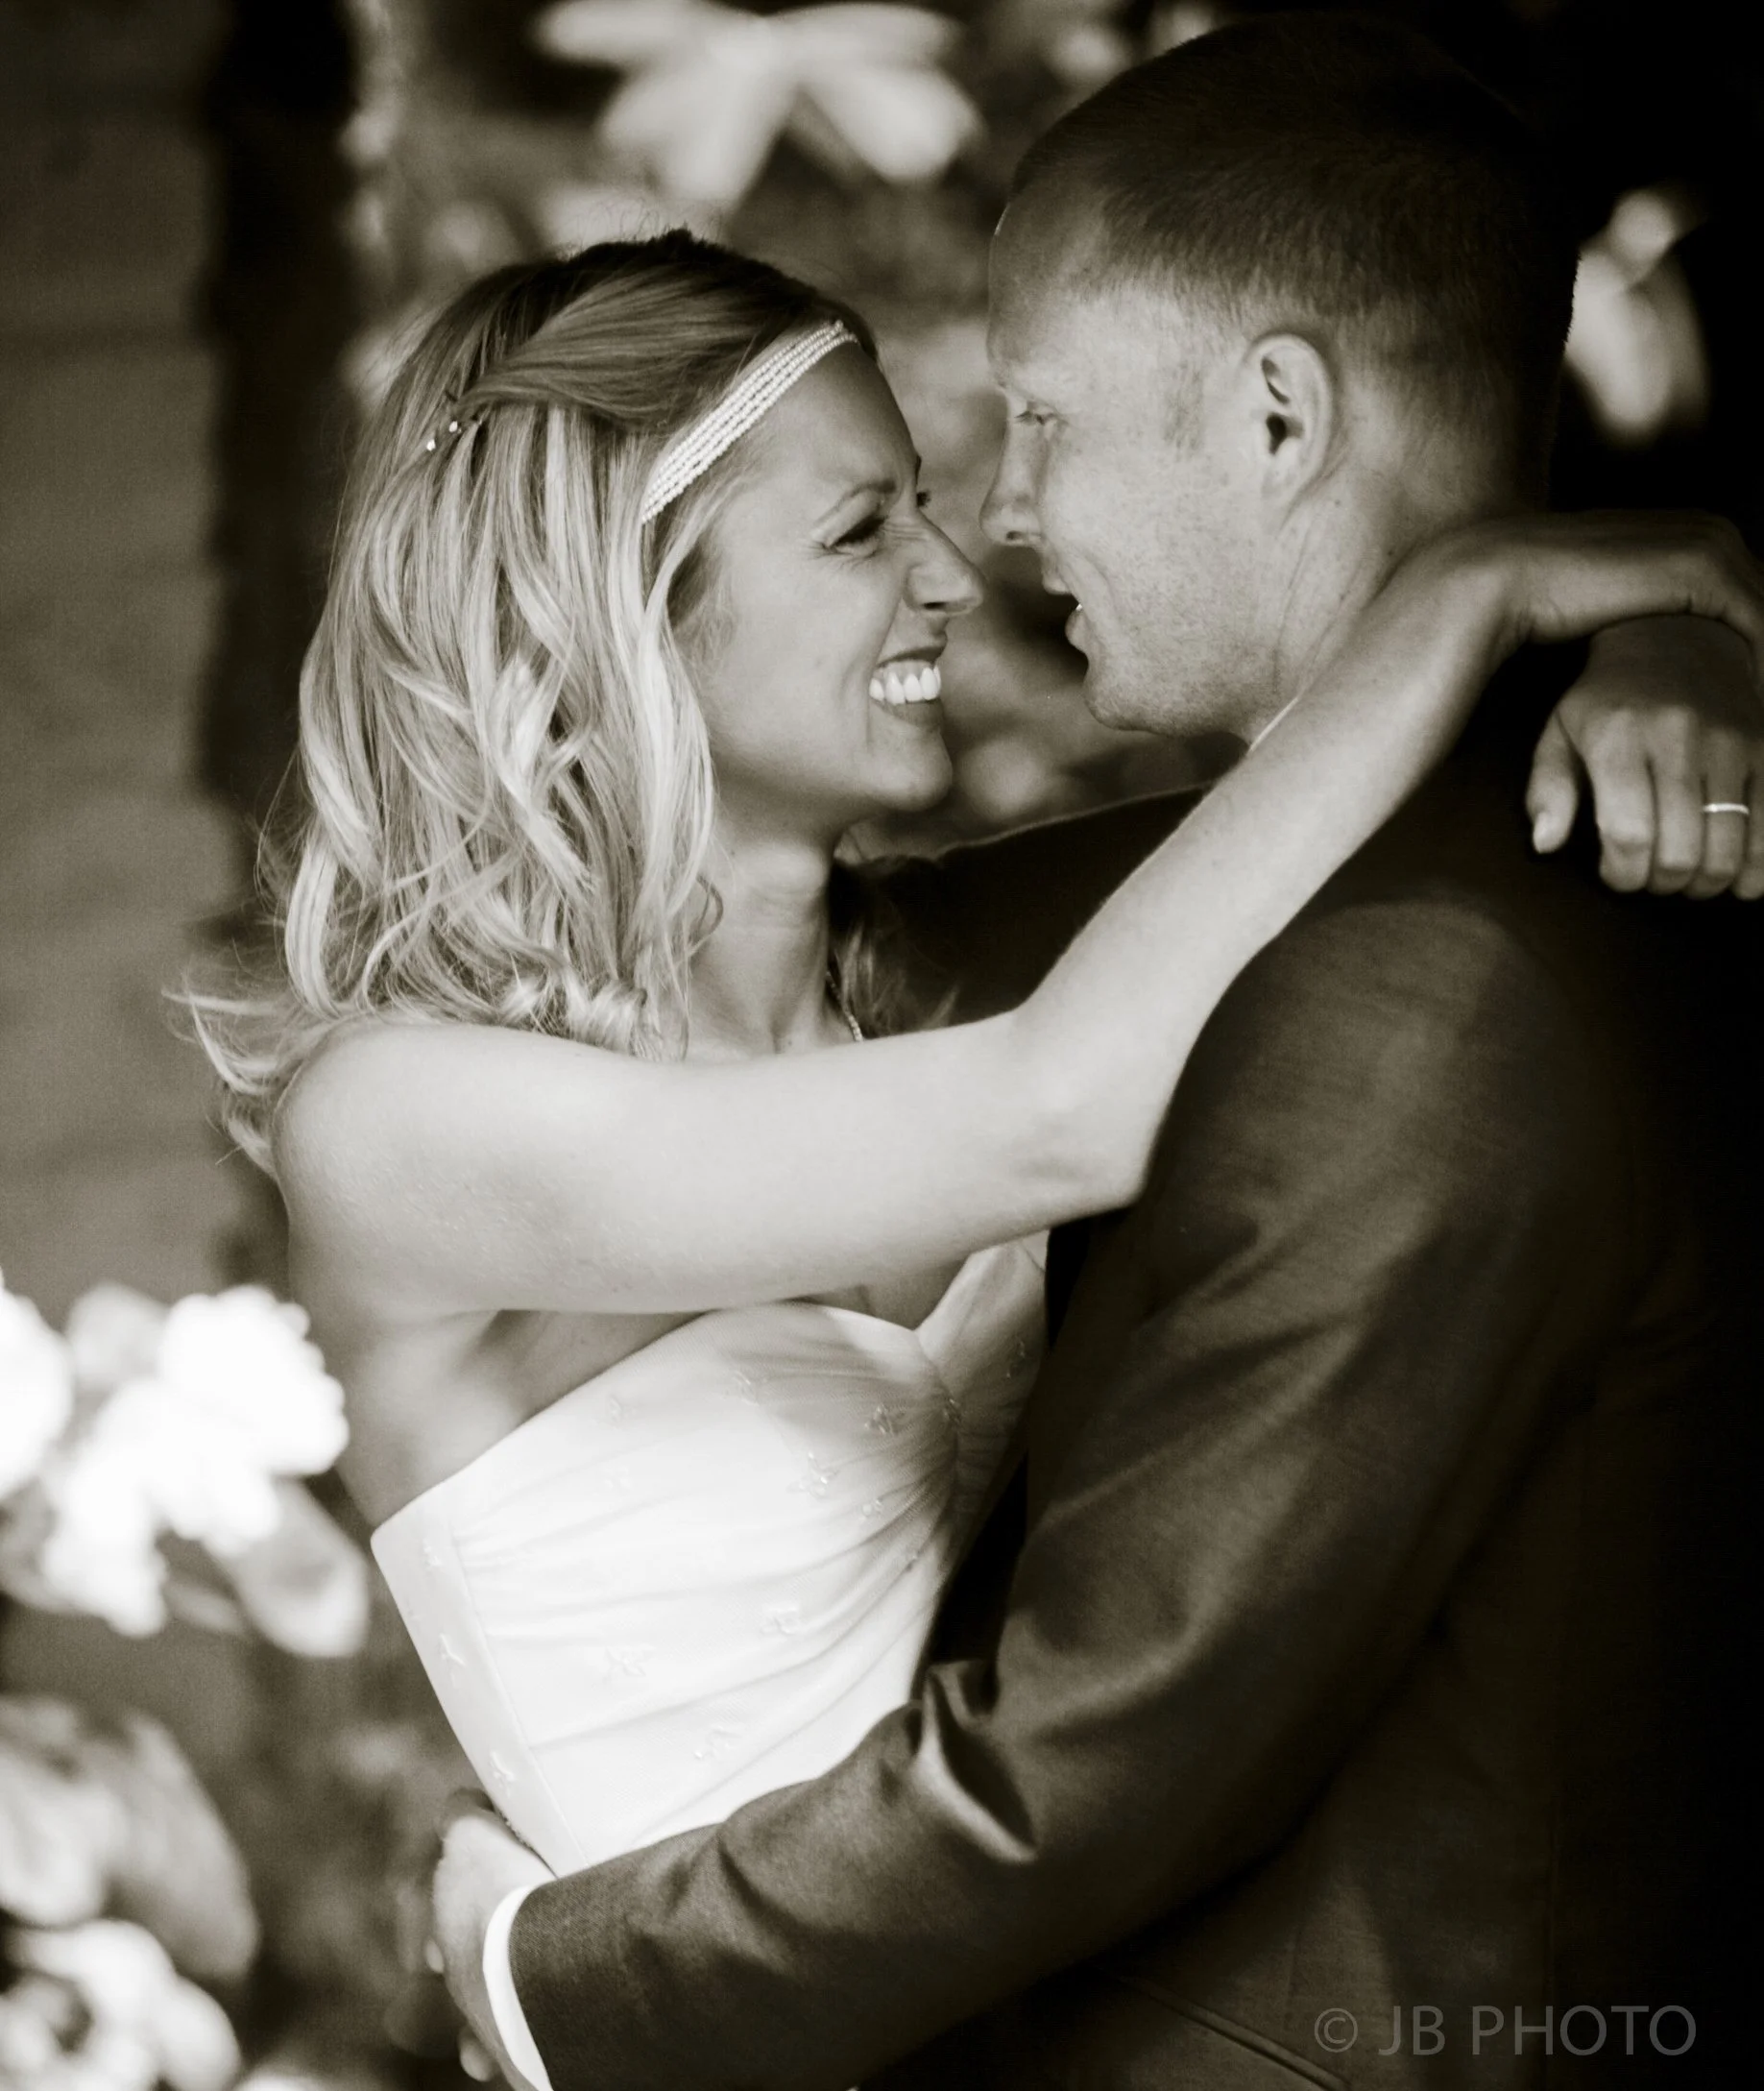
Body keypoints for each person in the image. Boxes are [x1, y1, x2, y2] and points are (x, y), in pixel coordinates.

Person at [422, 19, 1764, 2091]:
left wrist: (557, 1977)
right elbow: (864, 964)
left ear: (1281, 414)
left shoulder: (1424, 989)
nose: (1006, 519)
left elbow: (1109, 1745)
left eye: (1038, 421)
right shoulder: (1334, 888)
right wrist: (1661, 617)